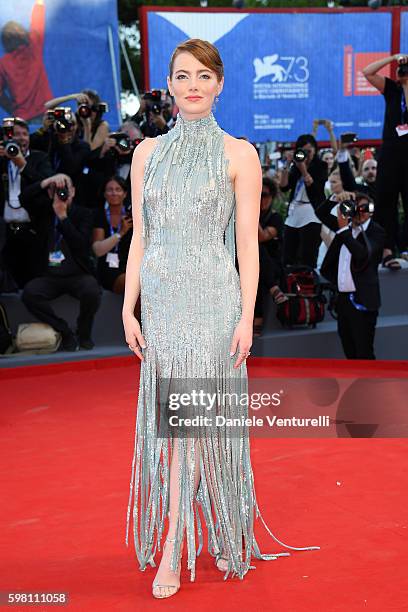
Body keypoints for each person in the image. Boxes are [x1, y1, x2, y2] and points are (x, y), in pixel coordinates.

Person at [122, 38, 319, 600]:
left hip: (213, 302)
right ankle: (219, 522)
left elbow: (248, 249)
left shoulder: (240, 154)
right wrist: (128, 305)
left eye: (203, 76)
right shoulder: (146, 155)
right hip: (161, 304)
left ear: (220, 84)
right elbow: (141, 238)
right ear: (168, 84)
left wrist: (246, 319)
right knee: (185, 427)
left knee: (187, 428)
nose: (192, 86)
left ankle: (172, 550)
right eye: (182, 76)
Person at [22, 174, 101, 351]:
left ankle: (84, 331)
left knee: (92, 291)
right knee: (30, 293)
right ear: (50, 192)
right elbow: (24, 197)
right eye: (57, 190)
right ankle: (64, 330)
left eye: (65, 189)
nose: (62, 193)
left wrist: (63, 217)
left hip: (77, 274)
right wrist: (46, 182)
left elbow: (81, 244)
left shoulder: (84, 214)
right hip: (49, 276)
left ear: (73, 191)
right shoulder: (43, 211)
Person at [315, 191, 386, 360]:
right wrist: (335, 198)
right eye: (356, 208)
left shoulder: (376, 232)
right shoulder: (345, 228)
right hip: (343, 300)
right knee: (349, 349)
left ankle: (368, 385)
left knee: (364, 352)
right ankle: (356, 386)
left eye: (365, 208)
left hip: (363, 301)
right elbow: (321, 213)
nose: (361, 212)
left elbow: (362, 254)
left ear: (370, 210)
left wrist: (343, 230)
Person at [362, 53, 408, 269]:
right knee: (385, 201)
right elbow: (367, 72)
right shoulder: (392, 89)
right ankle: (386, 251)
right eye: (402, 67)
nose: (404, 70)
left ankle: (406, 249)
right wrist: (392, 59)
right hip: (391, 150)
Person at [0, 117, 53, 287]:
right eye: (16, 134)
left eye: (25, 134)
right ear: (8, 138)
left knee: (32, 284)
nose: (22, 137)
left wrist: (22, 164)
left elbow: (46, 183)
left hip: (33, 232)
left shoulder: (40, 158)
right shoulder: (2, 159)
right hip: (5, 233)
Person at [0, 0, 53, 122]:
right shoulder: (34, 48)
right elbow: (37, 23)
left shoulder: (3, 63)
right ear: (23, 34)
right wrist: (39, 3)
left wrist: (12, 109)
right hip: (45, 113)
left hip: (22, 118)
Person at [280, 134, 328, 269]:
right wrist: (287, 165)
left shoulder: (321, 166)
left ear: (315, 150)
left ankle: (309, 286)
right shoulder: (295, 166)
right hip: (294, 211)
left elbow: (314, 189)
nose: (306, 155)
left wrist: (303, 168)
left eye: (309, 151)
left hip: (311, 212)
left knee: (307, 254)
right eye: (303, 151)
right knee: (288, 254)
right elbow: (283, 187)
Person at [254, 177, 287, 336]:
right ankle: (274, 289)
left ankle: (257, 319)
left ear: (272, 196)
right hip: (253, 266)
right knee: (254, 270)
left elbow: (261, 237)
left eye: (265, 194)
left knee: (257, 248)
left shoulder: (276, 218)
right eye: (258, 194)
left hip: (272, 265)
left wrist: (251, 213)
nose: (262, 199)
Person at [92, 176, 134, 296]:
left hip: (130, 265)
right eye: (110, 190)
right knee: (132, 283)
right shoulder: (99, 215)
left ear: (125, 194)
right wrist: (120, 233)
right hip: (109, 269)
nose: (114, 193)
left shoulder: (132, 215)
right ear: (105, 194)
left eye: (118, 189)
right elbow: (97, 250)